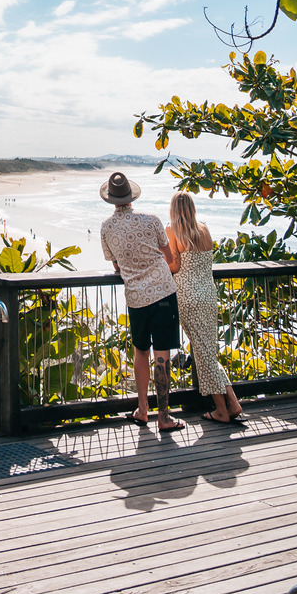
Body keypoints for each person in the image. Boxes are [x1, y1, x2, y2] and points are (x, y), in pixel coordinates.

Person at [100, 170, 184, 432]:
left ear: (112, 199)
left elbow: (115, 265)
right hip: (163, 293)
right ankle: (165, 416)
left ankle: (143, 409)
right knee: (162, 354)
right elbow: (169, 258)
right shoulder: (151, 220)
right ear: (131, 196)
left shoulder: (106, 227)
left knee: (140, 351)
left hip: (136, 298)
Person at [167, 193, 246, 425]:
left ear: (174, 210)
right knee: (207, 351)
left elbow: (174, 265)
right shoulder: (204, 229)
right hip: (209, 294)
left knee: (203, 354)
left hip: (188, 296)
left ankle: (222, 410)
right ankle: (232, 402)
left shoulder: (172, 231)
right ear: (192, 208)